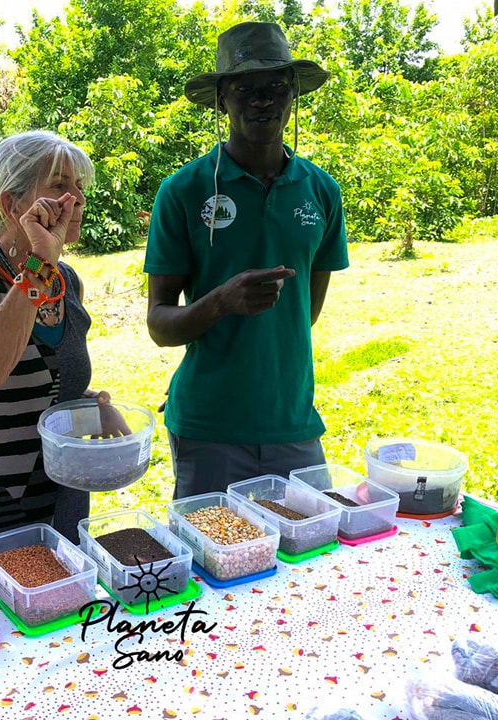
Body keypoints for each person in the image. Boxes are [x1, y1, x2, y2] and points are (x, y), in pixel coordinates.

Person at [143, 22, 350, 499]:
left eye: (276, 86)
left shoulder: (321, 191)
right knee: (214, 564)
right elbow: (159, 325)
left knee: (309, 562)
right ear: (221, 100)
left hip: (293, 422)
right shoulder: (184, 191)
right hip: (209, 425)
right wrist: (220, 301)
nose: (263, 100)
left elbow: (305, 313)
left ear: (293, 94)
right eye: (245, 89)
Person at [0, 130, 127, 566]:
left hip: (65, 500)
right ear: (11, 204)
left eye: (79, 187)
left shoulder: (66, 280)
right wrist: (38, 263)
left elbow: (49, 382)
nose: (77, 199)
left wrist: (93, 406)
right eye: (59, 186)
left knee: (67, 620)